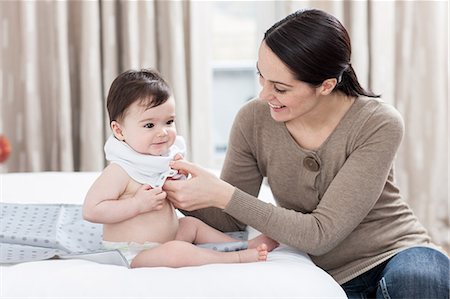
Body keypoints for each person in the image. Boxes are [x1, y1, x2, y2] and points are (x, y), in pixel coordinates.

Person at [163, 9, 450, 299]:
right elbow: (231, 223)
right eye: (261, 77)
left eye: (280, 88)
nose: (263, 95)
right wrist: (178, 187)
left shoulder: (378, 123)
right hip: (325, 273)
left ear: (326, 86)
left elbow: (321, 233)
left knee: (420, 283)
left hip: (396, 251)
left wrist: (223, 194)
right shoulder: (253, 119)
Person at [82, 69, 278, 268]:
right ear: (119, 130)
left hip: (168, 237)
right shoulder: (121, 170)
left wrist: (179, 181)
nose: (163, 132)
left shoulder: (161, 160)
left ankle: (242, 245)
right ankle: (233, 258)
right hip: (134, 252)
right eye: (149, 125)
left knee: (191, 225)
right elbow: (91, 210)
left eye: (169, 122)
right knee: (177, 252)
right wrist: (137, 204)